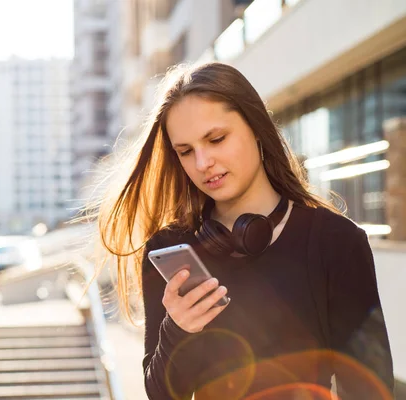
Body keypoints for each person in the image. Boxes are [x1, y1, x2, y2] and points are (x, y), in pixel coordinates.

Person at [85, 62, 394, 399]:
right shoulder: (170, 248)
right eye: (186, 151)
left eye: (216, 139)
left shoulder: (336, 242)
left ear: (257, 128)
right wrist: (178, 329)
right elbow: (160, 393)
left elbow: (370, 388)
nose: (202, 163)